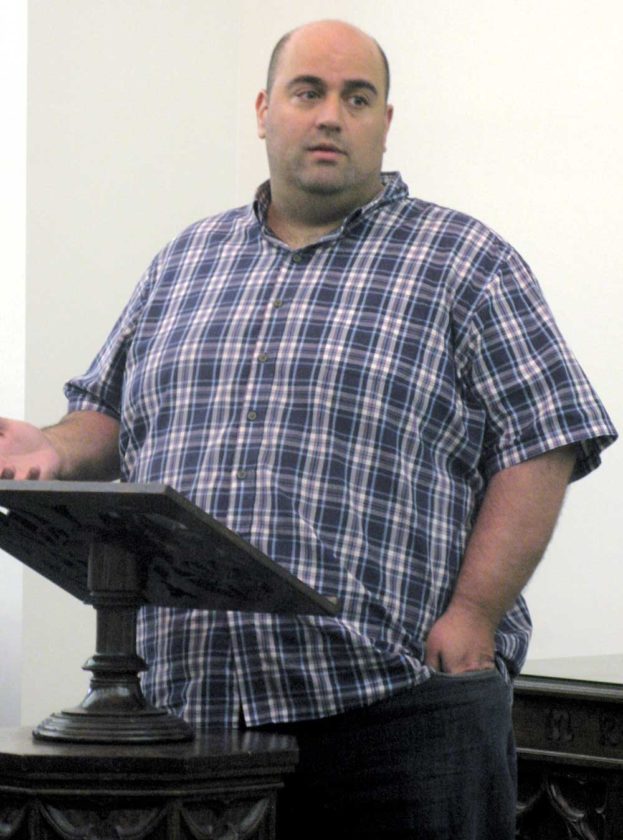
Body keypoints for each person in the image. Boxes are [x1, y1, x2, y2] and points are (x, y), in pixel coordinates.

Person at [0, 19, 617, 840]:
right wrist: (53, 445)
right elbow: (105, 414)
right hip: (192, 720)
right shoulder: (185, 261)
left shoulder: (465, 260)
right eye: (307, 92)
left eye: (356, 98)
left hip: (396, 710)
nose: (330, 115)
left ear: (384, 123)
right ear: (264, 110)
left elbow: (544, 438)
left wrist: (474, 611)